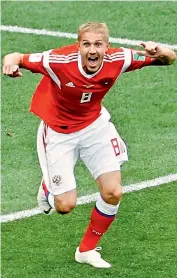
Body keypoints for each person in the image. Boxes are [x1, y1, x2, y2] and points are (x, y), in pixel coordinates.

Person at [3, 22, 176, 268]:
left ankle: (86, 250)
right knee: (64, 207)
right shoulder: (59, 61)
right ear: (79, 46)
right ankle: (48, 184)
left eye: (98, 44)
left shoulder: (120, 58)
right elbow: (17, 56)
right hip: (59, 134)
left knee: (113, 192)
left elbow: (169, 59)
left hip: (95, 128)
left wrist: (159, 50)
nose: (92, 50)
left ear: (107, 46)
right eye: (86, 44)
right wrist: (9, 63)